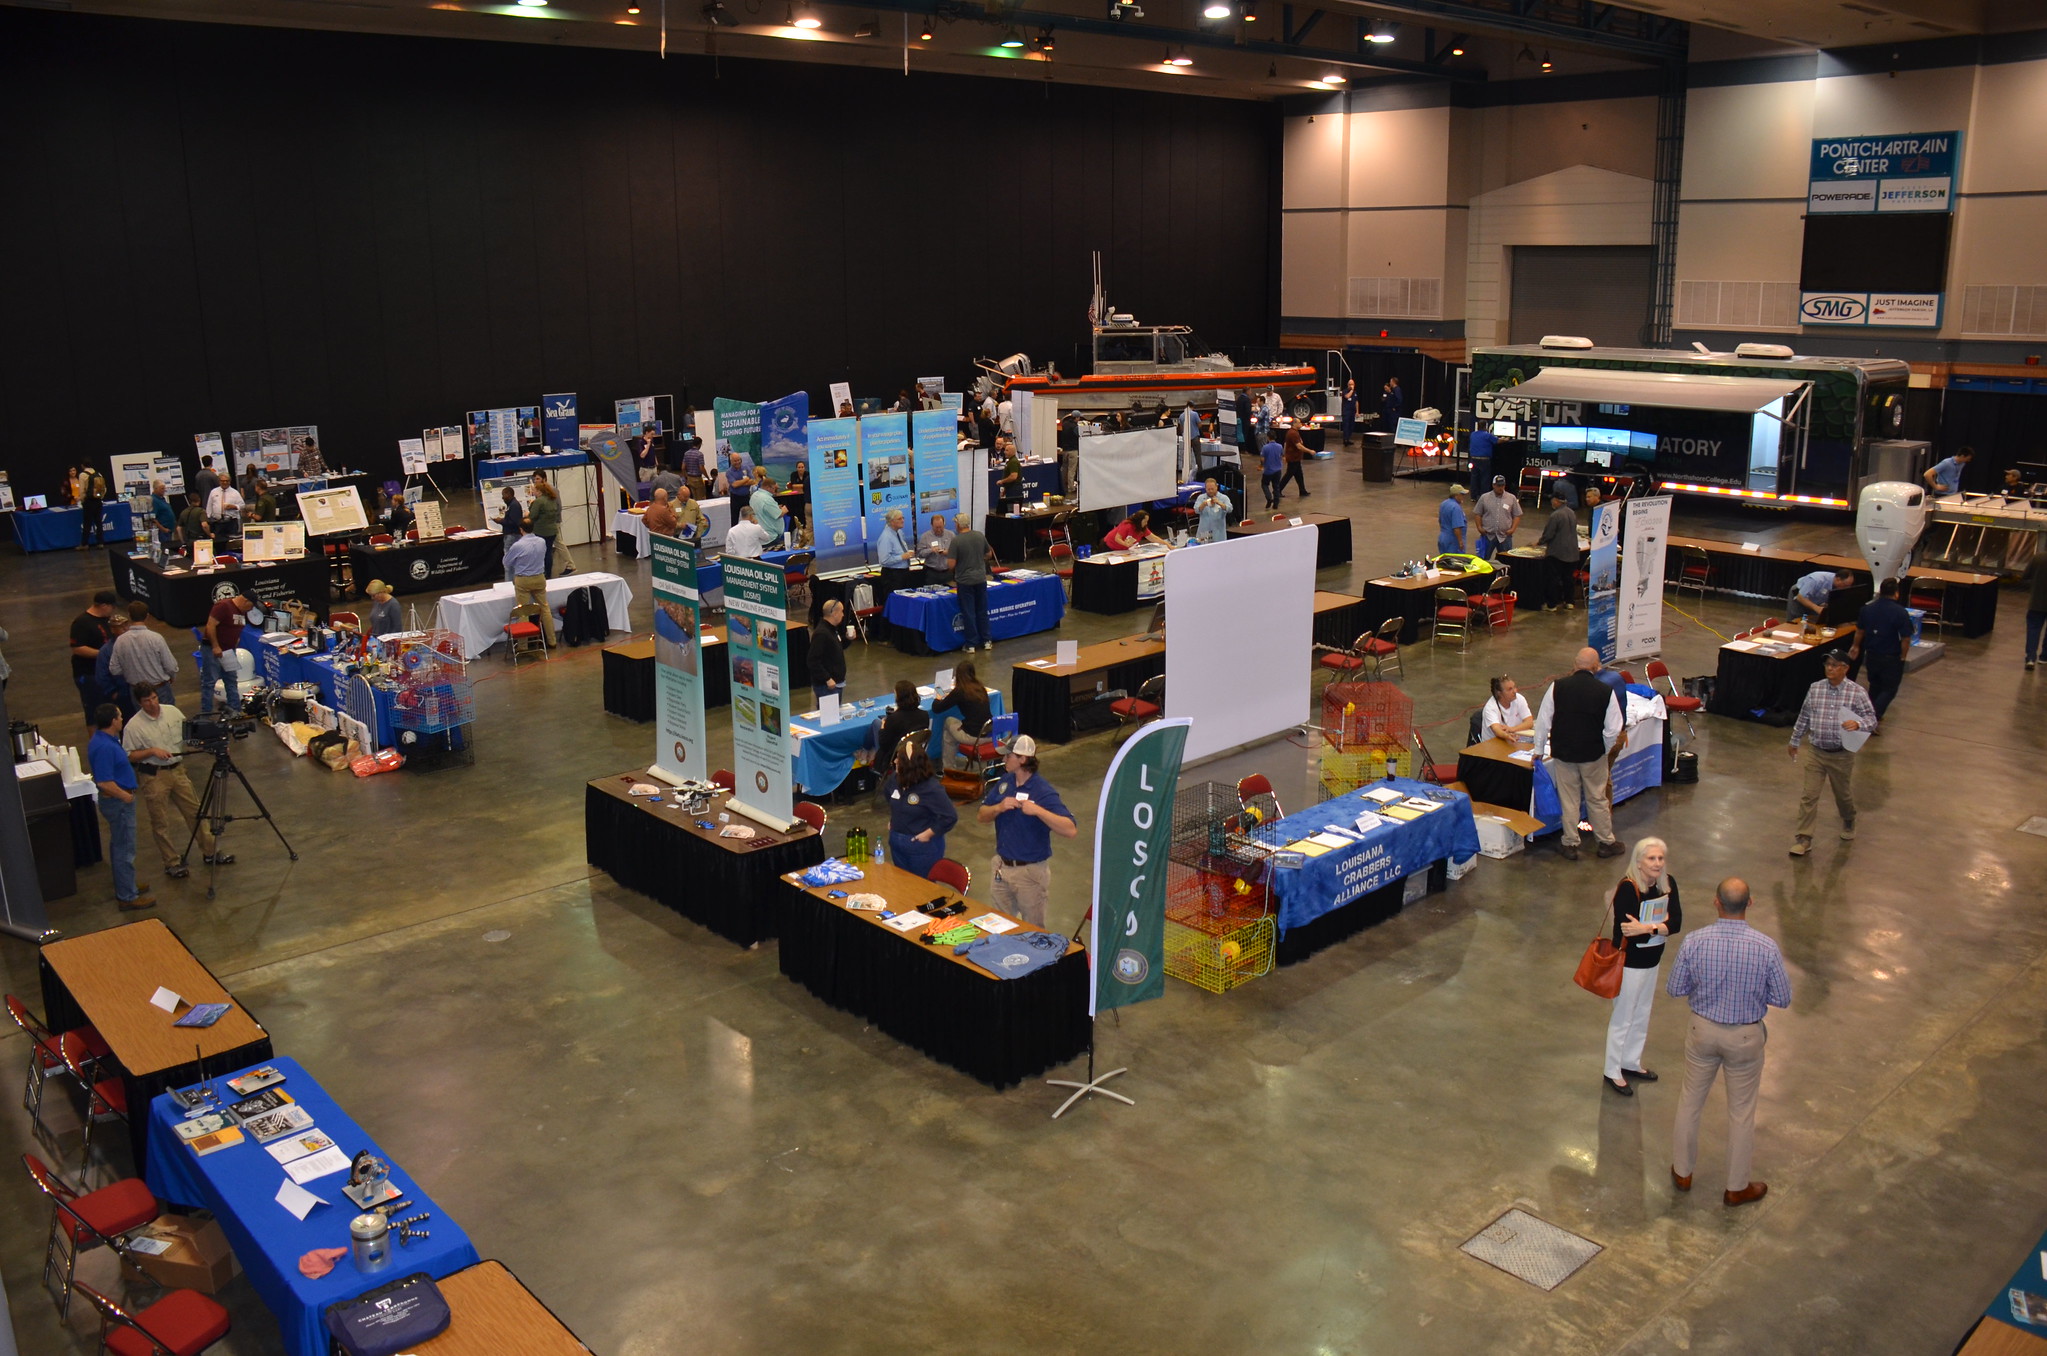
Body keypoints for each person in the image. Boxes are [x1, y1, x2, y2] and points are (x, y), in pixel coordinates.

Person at [1666, 878, 1791, 1206]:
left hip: (1702, 1031)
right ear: (1750, 904)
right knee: (1741, 1112)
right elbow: (1783, 997)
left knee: (1690, 1101)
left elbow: (1675, 988)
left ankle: (1682, 1172)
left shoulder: (1695, 941)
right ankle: (1736, 1187)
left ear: (1716, 903)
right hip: (1745, 1037)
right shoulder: (1766, 947)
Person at [1603, 837, 1681, 1096]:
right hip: (1629, 964)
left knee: (1642, 1013)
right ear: (1638, 861)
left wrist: (1649, 928)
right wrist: (1660, 928)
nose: (1657, 863)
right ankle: (1612, 1069)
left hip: (1652, 961)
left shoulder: (1668, 885)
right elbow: (1627, 931)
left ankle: (1631, 1061)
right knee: (1623, 1016)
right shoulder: (1628, 888)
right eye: (1651, 858)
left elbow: (1677, 922)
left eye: (1660, 858)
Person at [123, 683, 225, 880]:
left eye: (154, 698)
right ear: (139, 703)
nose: (153, 703)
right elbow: (129, 755)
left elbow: (190, 734)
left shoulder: (172, 713)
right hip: (154, 776)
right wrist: (152, 751)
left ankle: (210, 851)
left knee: (196, 812)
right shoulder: (133, 727)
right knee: (160, 821)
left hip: (178, 771)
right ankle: (171, 862)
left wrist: (210, 743)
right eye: (147, 701)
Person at [1533, 647, 1626, 861]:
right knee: (1597, 798)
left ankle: (1570, 844)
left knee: (1569, 800)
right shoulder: (1605, 691)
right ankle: (1605, 842)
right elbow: (1614, 727)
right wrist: (1603, 747)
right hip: (1593, 754)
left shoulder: (1557, 687)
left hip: (1564, 753)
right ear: (1597, 667)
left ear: (1574, 665)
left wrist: (1538, 750)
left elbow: (1543, 722)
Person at [977, 734, 1077, 928]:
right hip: (1001, 867)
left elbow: (1070, 830)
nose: (1004, 759)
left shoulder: (1043, 791)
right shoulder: (1006, 782)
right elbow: (981, 815)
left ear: (1023, 759)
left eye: (1009, 756)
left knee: (1033, 930)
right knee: (998, 926)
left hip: (1029, 874)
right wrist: (998, 807)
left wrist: (1038, 810)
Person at [1787, 649, 1876, 855]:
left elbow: (1872, 719)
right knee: (1809, 796)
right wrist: (1794, 740)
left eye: (1835, 665)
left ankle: (1848, 819)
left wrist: (1858, 723)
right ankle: (1804, 838)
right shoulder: (1815, 689)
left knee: (1842, 795)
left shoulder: (1857, 692)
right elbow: (1804, 716)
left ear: (1845, 668)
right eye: (1827, 664)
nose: (1830, 668)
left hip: (1841, 755)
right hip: (1816, 751)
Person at [89, 705, 155, 910]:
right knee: (124, 849)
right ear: (112, 722)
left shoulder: (106, 740)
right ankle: (128, 896)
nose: (122, 718)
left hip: (118, 801)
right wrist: (125, 796)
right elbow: (104, 781)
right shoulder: (104, 747)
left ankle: (127, 883)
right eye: (119, 716)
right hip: (118, 803)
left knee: (120, 845)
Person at [883, 736, 957, 880]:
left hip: (922, 846)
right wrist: (894, 818)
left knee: (924, 889)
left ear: (910, 765)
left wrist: (929, 833)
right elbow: (888, 795)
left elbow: (950, 816)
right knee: (903, 884)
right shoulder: (894, 780)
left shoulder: (931, 789)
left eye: (899, 759)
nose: (895, 761)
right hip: (897, 842)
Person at [1849, 578, 1912, 717]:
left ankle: (1868, 714)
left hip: (1871, 655)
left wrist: (1855, 646)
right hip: (1891, 657)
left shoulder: (1867, 609)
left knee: (1875, 686)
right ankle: (1872, 718)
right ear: (1896, 593)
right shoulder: (1900, 612)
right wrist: (1902, 657)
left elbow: (1860, 631)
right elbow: (1906, 638)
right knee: (1890, 689)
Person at [110, 602, 178, 705]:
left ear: (129, 615)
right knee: (167, 718)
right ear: (147, 616)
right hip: (159, 689)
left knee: (143, 719)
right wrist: (172, 676)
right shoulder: (156, 638)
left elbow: (114, 669)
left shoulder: (120, 641)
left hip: (136, 692)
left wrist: (131, 670)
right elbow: (171, 666)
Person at [69, 591, 120, 724]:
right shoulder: (82, 623)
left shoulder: (106, 620)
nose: (113, 610)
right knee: (94, 712)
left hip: (105, 673)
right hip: (88, 674)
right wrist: (103, 654)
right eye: (112, 607)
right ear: (103, 606)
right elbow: (78, 648)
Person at [931, 660, 992, 769]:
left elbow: (936, 708)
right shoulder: (980, 688)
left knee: (948, 721)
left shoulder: (960, 691)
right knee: (951, 734)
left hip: (974, 737)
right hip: (989, 734)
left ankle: (949, 768)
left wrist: (938, 698)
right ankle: (949, 768)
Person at [504, 522, 556, 648]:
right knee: (545, 608)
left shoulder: (518, 545)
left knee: (523, 612)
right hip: (539, 577)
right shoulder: (541, 541)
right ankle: (552, 640)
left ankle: (523, 645)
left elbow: (506, 561)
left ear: (521, 529)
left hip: (523, 580)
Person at [201, 593, 253, 715]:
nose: (250, 610)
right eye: (250, 607)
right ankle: (206, 713)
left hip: (229, 650)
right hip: (212, 649)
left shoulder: (242, 610)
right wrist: (215, 646)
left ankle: (235, 709)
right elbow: (210, 625)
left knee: (231, 680)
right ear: (245, 601)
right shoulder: (223, 606)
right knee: (209, 682)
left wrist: (235, 640)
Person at [949, 514, 994, 652]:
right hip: (981, 579)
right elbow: (989, 554)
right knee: (982, 610)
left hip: (965, 582)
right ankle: (987, 641)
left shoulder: (956, 541)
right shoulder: (979, 536)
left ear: (957, 525)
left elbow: (951, 564)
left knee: (968, 613)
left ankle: (971, 644)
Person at [867, 680, 930, 770]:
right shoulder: (924, 715)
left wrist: (882, 728)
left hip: (893, 756)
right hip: (915, 753)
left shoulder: (893, 719)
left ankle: (866, 750)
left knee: (877, 723)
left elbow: (884, 744)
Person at [1535, 492, 1582, 611]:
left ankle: (1552, 605)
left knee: (1553, 579)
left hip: (1558, 553)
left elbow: (1549, 534)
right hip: (1572, 552)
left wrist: (1539, 542)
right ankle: (1569, 601)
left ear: (1556, 501)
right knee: (1568, 578)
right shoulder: (1571, 513)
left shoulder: (1556, 515)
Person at [1474, 475, 1522, 560]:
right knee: (1483, 560)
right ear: (1493, 485)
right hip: (1488, 535)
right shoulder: (1484, 498)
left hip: (1505, 536)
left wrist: (1512, 529)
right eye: (1498, 486)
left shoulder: (1511, 498)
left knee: (1507, 561)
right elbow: (1478, 513)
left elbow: (1517, 515)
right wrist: (1479, 527)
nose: (1501, 488)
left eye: (1503, 485)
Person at [809, 599, 848, 700]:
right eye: (841, 611)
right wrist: (827, 678)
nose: (843, 615)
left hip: (836, 683)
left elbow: (838, 647)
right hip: (826, 687)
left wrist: (848, 639)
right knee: (829, 715)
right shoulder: (821, 633)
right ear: (834, 613)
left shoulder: (832, 629)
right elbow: (812, 660)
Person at [526, 474, 564, 575]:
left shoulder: (538, 502)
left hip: (541, 531)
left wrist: (528, 513)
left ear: (539, 492)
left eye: (534, 490)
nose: (533, 492)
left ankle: (542, 573)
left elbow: (533, 516)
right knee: (548, 552)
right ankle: (548, 573)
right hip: (552, 530)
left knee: (541, 553)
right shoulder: (552, 500)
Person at [1481, 674, 1533, 740]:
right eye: (1510, 689)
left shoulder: (1519, 699)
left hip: (1515, 739)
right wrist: (1508, 736)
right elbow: (1497, 730)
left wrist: (1512, 729)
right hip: (1494, 743)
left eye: (1514, 687)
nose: (1515, 691)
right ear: (1499, 693)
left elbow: (1529, 722)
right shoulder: (1490, 707)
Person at [204, 478, 244, 547]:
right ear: (219, 481)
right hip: (217, 523)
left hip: (231, 523)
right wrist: (208, 519)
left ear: (230, 482)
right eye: (223, 481)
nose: (225, 482)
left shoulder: (235, 493)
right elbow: (209, 507)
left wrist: (233, 506)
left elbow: (242, 506)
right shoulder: (213, 492)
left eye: (227, 481)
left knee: (232, 544)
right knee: (218, 544)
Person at [1102, 509, 1168, 551]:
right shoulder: (1127, 525)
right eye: (1145, 521)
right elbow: (1117, 538)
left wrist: (1167, 545)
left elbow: (1154, 538)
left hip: (1122, 550)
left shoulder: (1143, 528)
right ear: (1139, 520)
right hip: (1109, 546)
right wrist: (1126, 544)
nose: (1146, 523)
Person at [749, 473, 784, 549]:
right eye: (774, 489)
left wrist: (775, 507)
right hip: (770, 537)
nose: (774, 492)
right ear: (768, 487)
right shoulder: (767, 499)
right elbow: (778, 514)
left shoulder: (754, 495)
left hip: (759, 535)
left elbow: (762, 509)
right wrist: (784, 510)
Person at [77, 464, 108, 549]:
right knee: (99, 522)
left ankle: (84, 544)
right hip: (98, 501)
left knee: (87, 523)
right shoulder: (98, 474)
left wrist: (82, 500)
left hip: (88, 501)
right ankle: (100, 543)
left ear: (82, 465)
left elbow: (82, 490)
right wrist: (100, 497)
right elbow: (104, 488)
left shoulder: (83, 475)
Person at [1193, 478, 1233, 544]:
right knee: (1204, 550)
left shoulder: (1223, 498)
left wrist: (1219, 503)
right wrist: (1204, 504)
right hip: (1204, 531)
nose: (1210, 491)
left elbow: (1230, 509)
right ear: (1205, 489)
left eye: (1212, 489)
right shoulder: (1201, 498)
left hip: (1218, 533)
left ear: (1216, 487)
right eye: (1208, 489)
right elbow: (1196, 510)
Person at [919, 514, 955, 583]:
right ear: (931, 525)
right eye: (936, 527)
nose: (938, 530)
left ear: (944, 524)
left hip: (947, 572)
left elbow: (957, 552)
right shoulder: (925, 536)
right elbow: (920, 554)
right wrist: (931, 550)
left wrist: (949, 552)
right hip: (931, 572)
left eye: (941, 527)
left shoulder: (951, 535)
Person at [1279, 426, 1310, 500]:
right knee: (1289, 475)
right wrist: (1310, 451)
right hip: (1293, 458)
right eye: (1299, 423)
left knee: (1299, 475)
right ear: (1295, 423)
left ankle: (1302, 490)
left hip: (1296, 458)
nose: (1301, 424)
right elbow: (1299, 446)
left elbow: (1286, 444)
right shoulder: (1293, 433)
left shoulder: (1293, 432)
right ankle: (1277, 490)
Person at [2028, 555, 2047, 672]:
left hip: (2036, 602)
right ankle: (2044, 657)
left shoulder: (2037, 558)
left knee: (2033, 630)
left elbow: (2026, 575)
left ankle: (2030, 658)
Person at [1466, 421, 1496, 495]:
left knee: (1474, 478)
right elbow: (1497, 441)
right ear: (1485, 426)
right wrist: (1506, 439)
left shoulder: (1472, 434)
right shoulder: (1488, 435)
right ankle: (1484, 495)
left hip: (1474, 459)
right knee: (1485, 478)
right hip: (1484, 460)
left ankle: (1473, 496)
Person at [1436, 486, 1469, 554]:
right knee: (1455, 562)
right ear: (1456, 495)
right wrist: (1460, 542)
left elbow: (1440, 521)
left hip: (1443, 537)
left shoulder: (1444, 504)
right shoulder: (1456, 508)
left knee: (1444, 561)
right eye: (1462, 495)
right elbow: (1457, 528)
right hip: (1453, 540)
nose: (1463, 497)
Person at [146, 480, 177, 549]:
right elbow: (152, 518)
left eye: (164, 488)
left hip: (168, 531)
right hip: (162, 532)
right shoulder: (154, 500)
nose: (164, 490)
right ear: (156, 489)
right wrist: (163, 529)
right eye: (162, 488)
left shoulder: (162, 499)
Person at [1259, 430, 1285, 510]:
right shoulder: (1280, 446)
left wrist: (1261, 466)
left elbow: (1262, 458)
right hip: (1278, 470)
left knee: (1264, 484)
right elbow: (1282, 456)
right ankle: (1276, 504)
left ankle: (1269, 497)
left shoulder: (1265, 447)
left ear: (1268, 437)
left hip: (1268, 470)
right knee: (1276, 486)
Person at [997, 444, 1024, 511]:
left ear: (1012, 452)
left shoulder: (1013, 462)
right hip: (1010, 489)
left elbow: (1013, 476)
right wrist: (1005, 490)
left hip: (1014, 489)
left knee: (1013, 510)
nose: (1004, 452)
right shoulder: (1010, 461)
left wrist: (1002, 481)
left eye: (1007, 450)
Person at [1340, 377, 1357, 446]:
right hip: (1346, 412)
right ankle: (1345, 440)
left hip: (1352, 411)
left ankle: (1348, 438)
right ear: (1348, 385)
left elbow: (1356, 402)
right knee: (1346, 426)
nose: (1351, 386)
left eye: (1352, 384)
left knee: (1351, 426)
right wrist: (1351, 391)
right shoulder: (1345, 391)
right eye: (1350, 384)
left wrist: (1357, 411)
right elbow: (1347, 397)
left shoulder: (1355, 393)